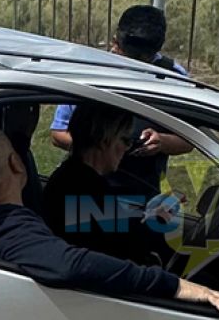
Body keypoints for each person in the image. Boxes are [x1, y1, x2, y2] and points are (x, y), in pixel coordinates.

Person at [0, 125, 219, 319]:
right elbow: (71, 261)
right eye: (124, 139)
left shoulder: (75, 181)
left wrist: (153, 217)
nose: (127, 147)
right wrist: (175, 285)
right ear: (17, 164)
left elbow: (109, 221)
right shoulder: (11, 225)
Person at [50, 6, 194, 188]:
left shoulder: (174, 78)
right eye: (128, 58)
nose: (134, 65)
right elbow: (58, 134)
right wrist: (100, 149)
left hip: (141, 193)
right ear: (115, 43)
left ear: (156, 50)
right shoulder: (88, 71)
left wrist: (162, 142)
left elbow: (189, 141)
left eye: (143, 60)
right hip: (86, 188)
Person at [40, 104, 179, 267]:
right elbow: (121, 248)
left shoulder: (77, 178)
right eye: (126, 140)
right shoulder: (80, 188)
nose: (128, 148)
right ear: (104, 140)